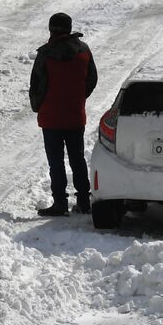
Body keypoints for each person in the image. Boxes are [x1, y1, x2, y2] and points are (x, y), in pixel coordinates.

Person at [28, 13, 97, 217]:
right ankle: (84, 201)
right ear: (69, 28)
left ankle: (60, 203)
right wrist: (79, 97)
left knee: (56, 161)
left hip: (51, 118)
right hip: (75, 116)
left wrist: (38, 106)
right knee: (77, 159)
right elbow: (92, 79)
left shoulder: (46, 55)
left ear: (51, 30)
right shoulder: (83, 51)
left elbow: (37, 86)